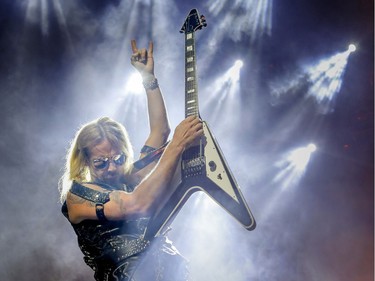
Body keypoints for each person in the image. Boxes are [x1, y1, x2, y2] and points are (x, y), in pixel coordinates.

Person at [59, 39, 203, 281]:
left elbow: (160, 131)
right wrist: (176, 146)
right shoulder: (77, 196)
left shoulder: (131, 177)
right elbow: (136, 204)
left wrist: (148, 78)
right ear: (84, 161)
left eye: (118, 158)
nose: (112, 167)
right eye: (101, 163)